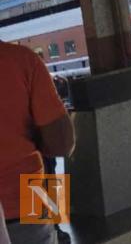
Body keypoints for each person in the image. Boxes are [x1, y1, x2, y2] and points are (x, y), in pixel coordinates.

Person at [1, 41, 74, 244]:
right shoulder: (22, 59)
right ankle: (59, 228)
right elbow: (63, 143)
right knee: (47, 164)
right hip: (28, 194)